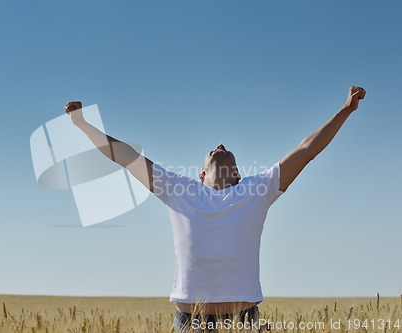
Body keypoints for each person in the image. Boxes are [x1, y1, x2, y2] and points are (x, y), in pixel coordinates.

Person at [64, 86, 366, 332]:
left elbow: (306, 150)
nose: (219, 144)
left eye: (227, 152)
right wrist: (82, 124)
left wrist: (346, 110)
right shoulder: (180, 190)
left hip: (245, 321)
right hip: (189, 323)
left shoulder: (256, 191)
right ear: (200, 176)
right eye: (214, 150)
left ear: (237, 174)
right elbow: (126, 156)